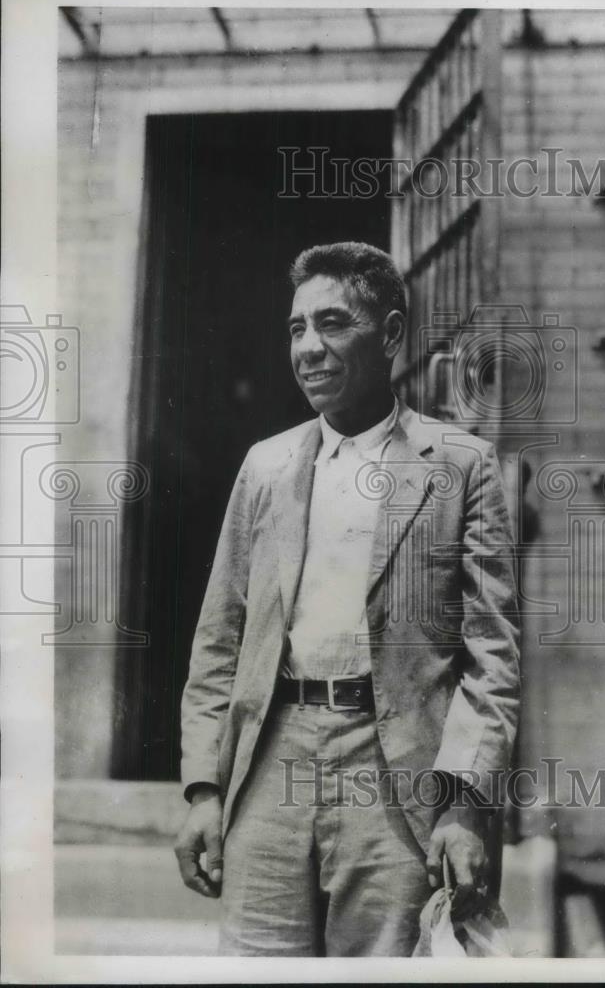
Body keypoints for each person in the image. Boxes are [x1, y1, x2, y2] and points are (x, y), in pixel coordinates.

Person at [174, 241, 520, 956]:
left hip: (396, 771)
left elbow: (493, 658)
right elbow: (219, 641)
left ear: (391, 335)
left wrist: (464, 805)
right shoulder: (266, 466)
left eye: (332, 324)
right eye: (296, 329)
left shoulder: (461, 466)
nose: (309, 348)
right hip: (271, 759)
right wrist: (204, 789)